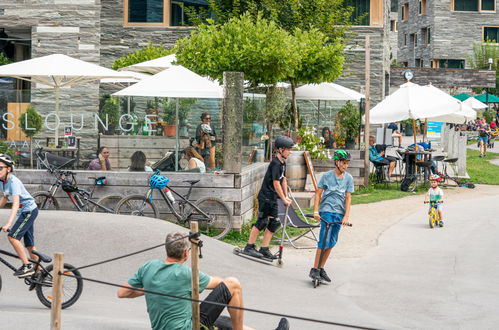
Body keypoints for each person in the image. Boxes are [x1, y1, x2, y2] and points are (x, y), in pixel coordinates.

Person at [117, 232, 289, 330]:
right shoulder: (185, 274)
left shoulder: (149, 266)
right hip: (190, 328)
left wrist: (152, 286)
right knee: (233, 284)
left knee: (226, 322)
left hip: (180, 323)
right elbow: (223, 284)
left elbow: (122, 292)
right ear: (186, 253)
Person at [243, 136, 293, 259]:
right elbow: (276, 183)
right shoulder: (275, 163)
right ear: (281, 149)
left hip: (274, 198)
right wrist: (283, 198)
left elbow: (283, 180)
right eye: (288, 149)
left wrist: (285, 197)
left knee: (274, 223)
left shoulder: (283, 163)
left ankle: (264, 248)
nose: (290, 152)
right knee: (262, 221)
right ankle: (249, 247)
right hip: (266, 197)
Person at [309, 150, 353, 283]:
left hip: (339, 213)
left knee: (332, 241)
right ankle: (315, 269)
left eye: (347, 163)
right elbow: (318, 194)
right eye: (343, 163)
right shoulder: (327, 176)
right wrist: (316, 211)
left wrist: (346, 216)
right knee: (323, 240)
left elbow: (348, 198)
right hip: (326, 211)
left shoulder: (348, 178)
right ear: (337, 162)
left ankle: (321, 268)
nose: (345, 166)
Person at [0, 154, 40, 278]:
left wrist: (8, 223)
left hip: (29, 211)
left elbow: (15, 203)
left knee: (13, 237)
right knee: (29, 245)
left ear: (9, 169)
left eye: (0, 168)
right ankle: (39, 273)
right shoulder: (2, 182)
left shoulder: (14, 182)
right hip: (24, 212)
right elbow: (5, 198)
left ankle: (27, 266)